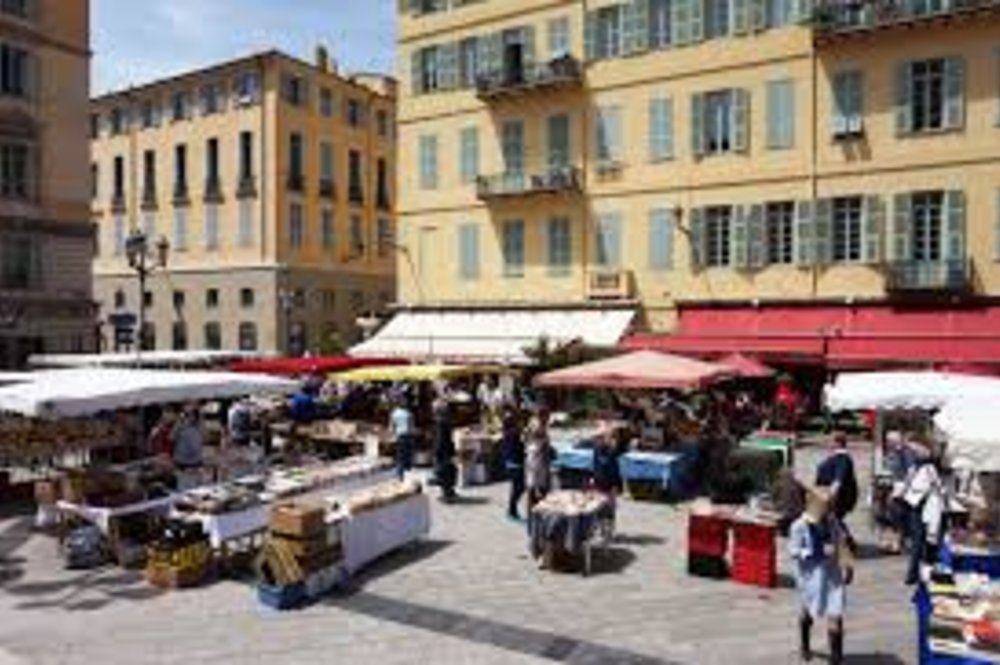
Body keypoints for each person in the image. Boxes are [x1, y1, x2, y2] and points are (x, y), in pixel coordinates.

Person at [789, 487, 853, 665]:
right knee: (807, 611)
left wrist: (848, 565)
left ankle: (836, 657)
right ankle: (805, 645)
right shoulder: (799, 525)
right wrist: (815, 551)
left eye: (830, 504)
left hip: (832, 574)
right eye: (826, 504)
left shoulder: (832, 521)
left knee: (836, 613)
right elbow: (793, 550)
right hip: (811, 576)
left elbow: (840, 542)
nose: (830, 508)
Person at [901, 444, 946, 586]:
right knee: (923, 542)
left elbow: (923, 488)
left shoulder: (927, 469)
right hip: (919, 508)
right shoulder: (916, 468)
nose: (912, 454)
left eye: (915, 452)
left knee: (923, 542)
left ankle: (916, 574)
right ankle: (917, 573)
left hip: (922, 508)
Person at [815, 432, 859, 532]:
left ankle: (846, 543)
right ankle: (845, 542)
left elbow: (839, 479)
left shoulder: (843, 458)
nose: (828, 443)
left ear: (838, 443)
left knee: (833, 520)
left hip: (839, 497)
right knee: (832, 521)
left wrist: (830, 496)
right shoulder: (835, 457)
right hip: (829, 494)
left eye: (831, 441)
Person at [525, 407, 553, 514]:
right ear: (542, 415)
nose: (548, 419)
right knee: (535, 484)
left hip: (536, 457)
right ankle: (535, 509)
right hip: (535, 458)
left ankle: (537, 507)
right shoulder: (537, 426)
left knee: (538, 484)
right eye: (547, 416)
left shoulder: (537, 425)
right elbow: (541, 441)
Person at [172, 406, 205, 490]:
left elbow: (204, 437)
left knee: (197, 485)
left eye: (192, 415)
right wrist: (179, 422)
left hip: (196, 461)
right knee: (182, 485)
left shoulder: (199, 426)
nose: (190, 417)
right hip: (182, 462)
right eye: (187, 415)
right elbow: (171, 437)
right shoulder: (180, 426)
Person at [501, 405, 526, 521]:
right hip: (515, 463)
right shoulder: (512, 435)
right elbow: (515, 449)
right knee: (518, 487)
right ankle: (511, 510)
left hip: (513, 462)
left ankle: (512, 510)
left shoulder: (511, 434)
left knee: (517, 487)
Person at [432, 397, 458, 502]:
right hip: (448, 450)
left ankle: (447, 494)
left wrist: (436, 452)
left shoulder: (440, 423)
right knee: (448, 470)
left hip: (443, 451)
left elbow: (440, 439)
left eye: (434, 409)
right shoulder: (447, 421)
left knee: (443, 472)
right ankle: (450, 491)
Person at [389, 396, 416, 481]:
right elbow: (411, 427)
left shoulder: (393, 414)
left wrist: (393, 435)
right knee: (408, 457)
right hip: (408, 436)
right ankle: (408, 475)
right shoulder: (409, 414)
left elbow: (391, 428)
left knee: (400, 457)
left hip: (399, 437)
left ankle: (400, 476)